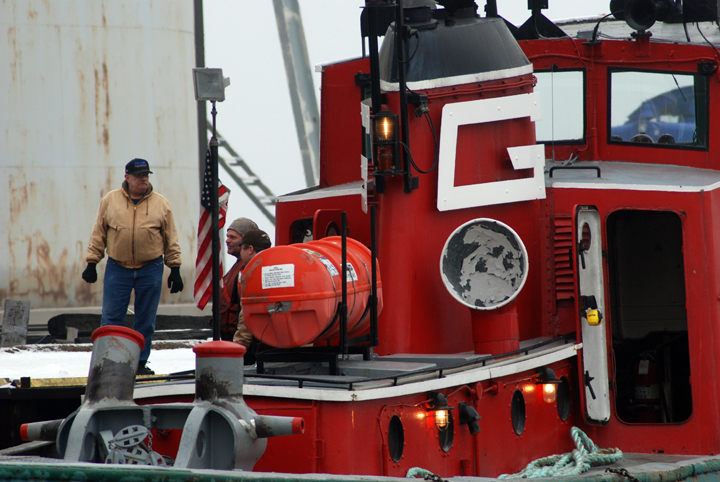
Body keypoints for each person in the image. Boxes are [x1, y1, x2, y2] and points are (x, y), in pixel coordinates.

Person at [81, 158, 183, 375]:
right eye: (139, 176)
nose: (144, 179)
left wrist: (175, 268)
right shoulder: (110, 200)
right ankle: (110, 363)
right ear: (127, 177)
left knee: (145, 319)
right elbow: (98, 233)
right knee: (111, 319)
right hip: (118, 267)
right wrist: (92, 262)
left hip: (151, 267)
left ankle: (139, 363)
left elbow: (171, 237)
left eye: (146, 175)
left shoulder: (161, 204)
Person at [233, 229, 272, 364]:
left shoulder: (252, 274)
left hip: (264, 345)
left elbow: (248, 312)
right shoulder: (277, 267)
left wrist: (239, 345)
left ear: (250, 249)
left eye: (241, 249)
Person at [219, 217, 258, 341]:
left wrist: (240, 343)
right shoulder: (237, 266)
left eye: (233, 237)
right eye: (227, 236)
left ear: (246, 243)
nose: (227, 240)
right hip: (230, 337)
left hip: (239, 341)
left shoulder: (247, 270)